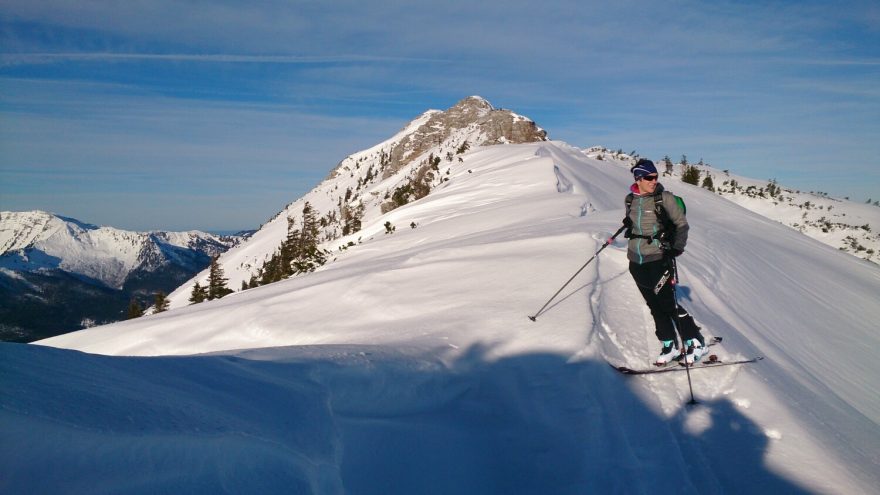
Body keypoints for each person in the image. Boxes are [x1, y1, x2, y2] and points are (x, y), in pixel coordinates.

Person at [623, 158, 706, 365]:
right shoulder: (630, 200)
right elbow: (635, 224)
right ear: (638, 179)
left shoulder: (664, 198)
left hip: (658, 258)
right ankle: (668, 343)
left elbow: (682, 225)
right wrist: (629, 225)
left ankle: (695, 342)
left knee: (668, 304)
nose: (654, 181)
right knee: (653, 304)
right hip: (635, 260)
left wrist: (677, 247)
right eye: (649, 177)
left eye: (656, 177)